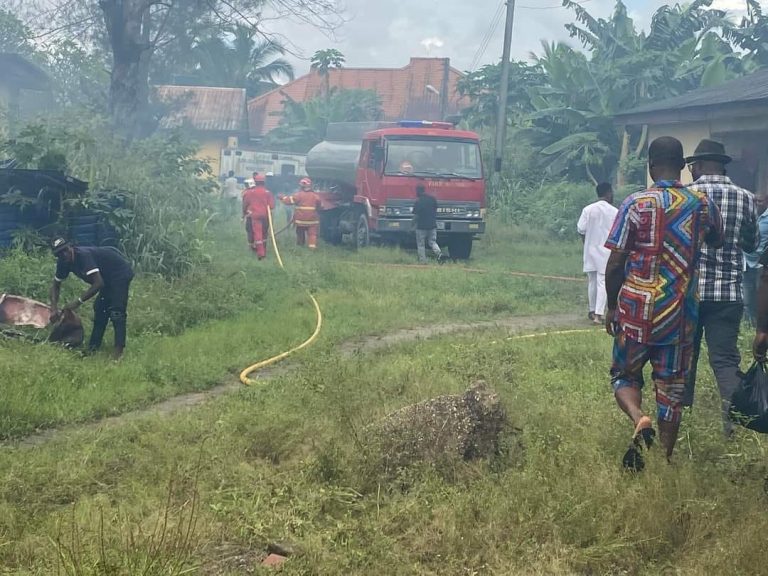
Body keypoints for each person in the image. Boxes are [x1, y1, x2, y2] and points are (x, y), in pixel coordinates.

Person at [604, 136, 723, 470]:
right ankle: (665, 458)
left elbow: (615, 263)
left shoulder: (635, 203)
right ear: (683, 166)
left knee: (624, 375)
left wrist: (612, 306)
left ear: (650, 165)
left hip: (636, 311)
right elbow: (718, 239)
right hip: (680, 314)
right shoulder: (702, 204)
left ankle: (639, 418)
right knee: (672, 388)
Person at [683, 139, 758, 437]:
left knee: (685, 358)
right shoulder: (746, 198)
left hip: (689, 294)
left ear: (700, 165)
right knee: (726, 361)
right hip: (728, 294)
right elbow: (751, 245)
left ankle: (679, 424)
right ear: (722, 165)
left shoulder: (687, 196)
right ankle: (733, 426)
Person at [49, 238, 135, 360]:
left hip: (119, 273)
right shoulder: (63, 262)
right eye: (59, 254)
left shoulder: (83, 256)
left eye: (65, 250)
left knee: (117, 312)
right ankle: (93, 348)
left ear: (71, 247)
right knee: (100, 310)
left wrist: (78, 302)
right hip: (105, 278)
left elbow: (98, 283)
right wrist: (53, 308)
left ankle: (118, 352)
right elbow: (56, 285)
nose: (64, 255)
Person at [577, 182, 618, 324]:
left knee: (592, 281)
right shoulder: (614, 211)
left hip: (590, 250)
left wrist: (586, 243)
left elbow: (581, 229)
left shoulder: (588, 210)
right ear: (608, 193)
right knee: (603, 281)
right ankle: (598, 315)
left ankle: (592, 309)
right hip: (606, 251)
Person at [743, 192, 768, 327]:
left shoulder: (766, 218)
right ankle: (749, 322)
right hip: (748, 261)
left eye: (760, 201)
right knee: (748, 292)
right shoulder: (757, 216)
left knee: (757, 293)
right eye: (755, 201)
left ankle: (756, 323)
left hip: (760, 262)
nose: (757, 204)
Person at [280, 177, 321, 249]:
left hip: (301, 220)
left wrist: (282, 197)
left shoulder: (298, 195)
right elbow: (320, 206)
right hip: (312, 220)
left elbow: (289, 201)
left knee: (300, 233)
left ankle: (300, 246)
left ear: (302, 186)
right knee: (312, 234)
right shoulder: (315, 196)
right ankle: (312, 248)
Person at [242, 173, 274, 259]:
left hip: (255, 216)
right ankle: (264, 249)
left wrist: (244, 213)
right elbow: (271, 206)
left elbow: (245, 204)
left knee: (257, 234)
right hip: (266, 216)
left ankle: (260, 253)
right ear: (264, 182)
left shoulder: (250, 193)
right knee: (264, 233)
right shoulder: (268, 193)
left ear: (255, 182)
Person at [412, 185, 445, 264]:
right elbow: (435, 209)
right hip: (432, 225)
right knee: (432, 242)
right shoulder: (432, 199)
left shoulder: (418, 201)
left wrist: (412, 225)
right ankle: (439, 254)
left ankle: (423, 261)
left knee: (421, 244)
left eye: (416, 191)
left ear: (418, 191)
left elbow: (416, 216)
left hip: (421, 226)